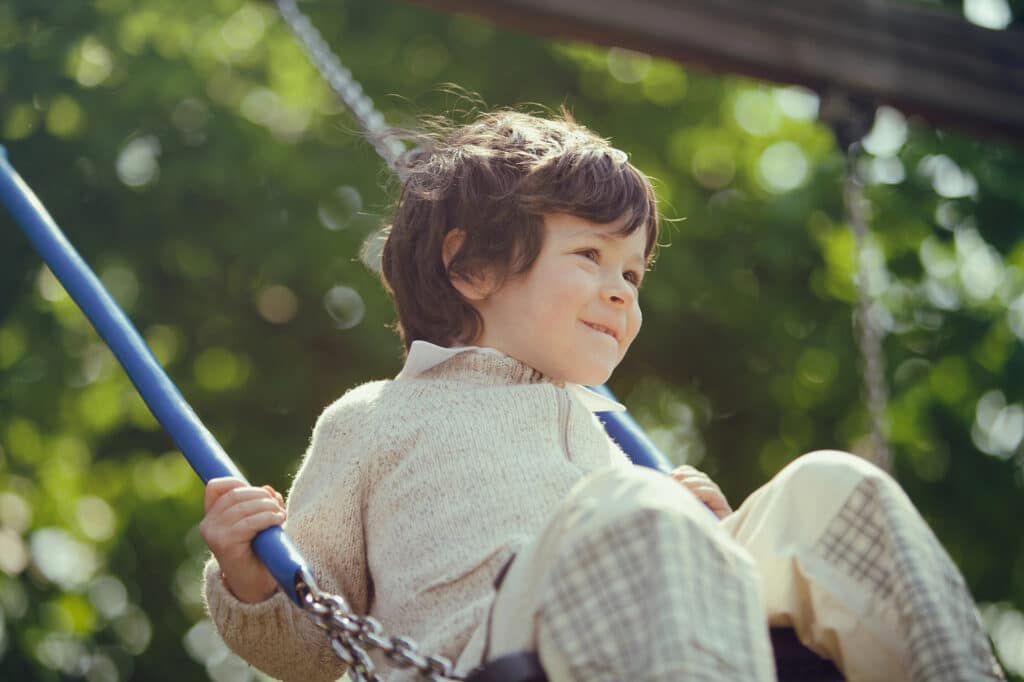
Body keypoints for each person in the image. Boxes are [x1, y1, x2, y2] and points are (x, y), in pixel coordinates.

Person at [199, 110, 1004, 682]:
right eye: (589, 255)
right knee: (636, 509)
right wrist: (250, 576)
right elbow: (310, 646)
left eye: (632, 273)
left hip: (645, 632)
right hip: (486, 658)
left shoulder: (609, 437)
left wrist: (710, 544)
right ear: (470, 266)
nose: (621, 292)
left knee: (835, 490)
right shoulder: (377, 419)